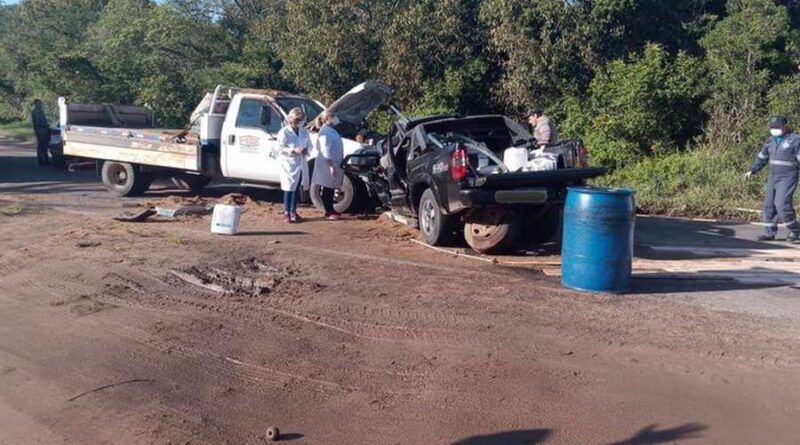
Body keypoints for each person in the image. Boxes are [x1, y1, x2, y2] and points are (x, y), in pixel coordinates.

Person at [745, 115, 800, 241]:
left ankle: (796, 230)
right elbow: (762, 157)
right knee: (768, 205)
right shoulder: (770, 141)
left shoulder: (795, 140)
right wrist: (752, 170)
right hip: (773, 176)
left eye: (778, 127)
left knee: (781, 204)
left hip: (788, 177)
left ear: (786, 126)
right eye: (773, 128)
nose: (775, 130)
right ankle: (769, 232)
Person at [276, 107, 312, 223]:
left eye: (300, 120)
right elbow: (279, 148)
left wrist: (306, 150)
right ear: (291, 120)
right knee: (288, 188)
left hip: (300, 162)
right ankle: (287, 212)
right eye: (297, 120)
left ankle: (293, 211)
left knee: (297, 188)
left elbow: (309, 144)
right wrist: (292, 150)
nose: (299, 123)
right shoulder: (284, 132)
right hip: (288, 163)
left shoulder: (304, 131)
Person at [312, 111, 345, 220]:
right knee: (327, 188)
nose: (335, 118)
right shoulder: (325, 132)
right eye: (332, 116)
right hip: (328, 164)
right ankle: (328, 211)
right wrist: (331, 165)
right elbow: (325, 150)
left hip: (333, 163)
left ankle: (331, 209)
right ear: (326, 119)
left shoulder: (330, 130)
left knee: (330, 187)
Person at [31, 99, 51, 165]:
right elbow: (37, 122)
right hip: (40, 130)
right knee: (41, 145)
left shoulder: (41, 111)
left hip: (44, 130)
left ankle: (46, 159)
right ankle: (41, 160)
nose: (40, 105)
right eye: (38, 103)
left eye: (40, 103)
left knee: (45, 145)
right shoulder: (35, 112)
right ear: (35, 104)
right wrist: (45, 125)